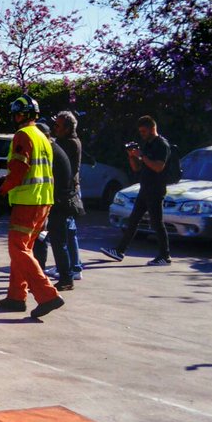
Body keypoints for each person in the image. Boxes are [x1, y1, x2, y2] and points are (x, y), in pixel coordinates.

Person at [0, 95, 64, 318]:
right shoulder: (43, 137)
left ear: (20, 115)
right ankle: (16, 297)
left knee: (18, 248)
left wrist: (1, 191)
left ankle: (47, 295)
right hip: (43, 200)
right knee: (23, 249)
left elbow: (18, 169)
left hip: (28, 201)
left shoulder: (23, 135)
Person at [100, 116, 171, 266]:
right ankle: (120, 251)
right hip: (145, 188)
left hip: (156, 189)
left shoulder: (161, 144)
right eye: (140, 132)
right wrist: (132, 156)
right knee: (133, 221)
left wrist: (142, 156)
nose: (142, 134)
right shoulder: (147, 144)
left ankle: (165, 256)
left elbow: (158, 167)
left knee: (157, 223)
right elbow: (137, 168)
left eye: (144, 131)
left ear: (153, 128)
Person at [31, 121, 76, 291]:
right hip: (58, 201)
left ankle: (64, 278)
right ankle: (47, 276)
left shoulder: (50, 151)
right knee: (51, 240)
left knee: (52, 241)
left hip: (57, 203)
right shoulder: (55, 149)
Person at [49, 111, 84, 289]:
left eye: (58, 125)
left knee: (66, 232)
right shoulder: (64, 141)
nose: (55, 128)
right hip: (66, 192)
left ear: (68, 128)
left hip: (67, 193)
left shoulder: (70, 143)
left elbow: (65, 170)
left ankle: (72, 270)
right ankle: (69, 267)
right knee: (67, 233)